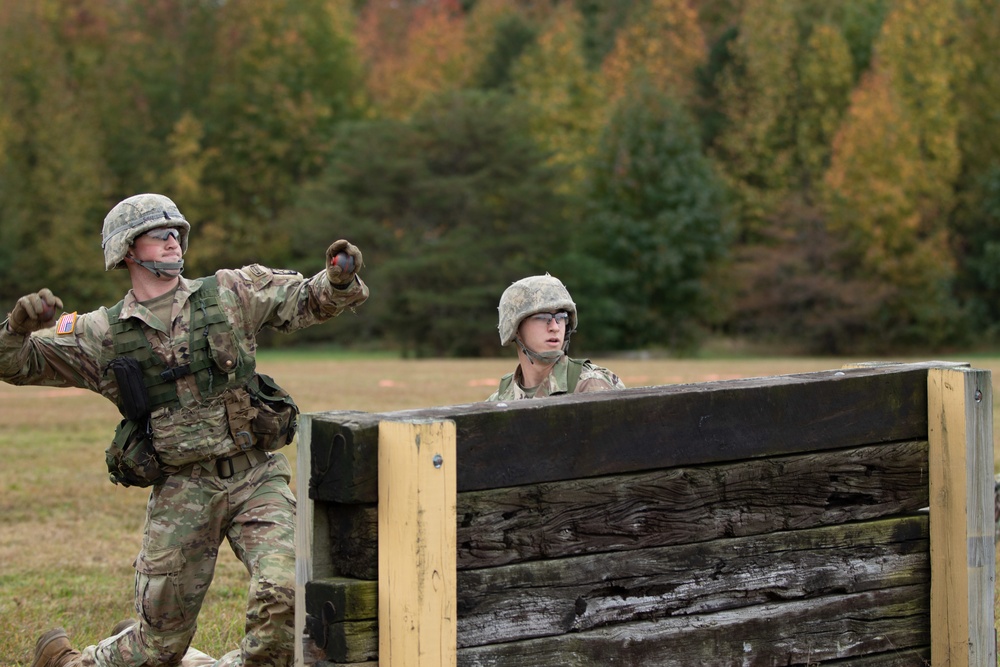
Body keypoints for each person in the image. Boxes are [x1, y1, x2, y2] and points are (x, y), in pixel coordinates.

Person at [3, 193, 369, 667]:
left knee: (286, 592)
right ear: (127, 251)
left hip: (255, 477)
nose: (174, 239)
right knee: (158, 649)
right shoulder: (101, 333)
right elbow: (17, 364)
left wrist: (338, 278)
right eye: (160, 234)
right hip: (181, 492)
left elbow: (308, 299)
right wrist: (14, 329)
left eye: (177, 231)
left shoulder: (231, 292)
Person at [486, 274, 624, 401]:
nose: (555, 327)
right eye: (542, 317)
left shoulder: (590, 386)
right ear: (515, 329)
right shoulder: (501, 398)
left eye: (560, 317)